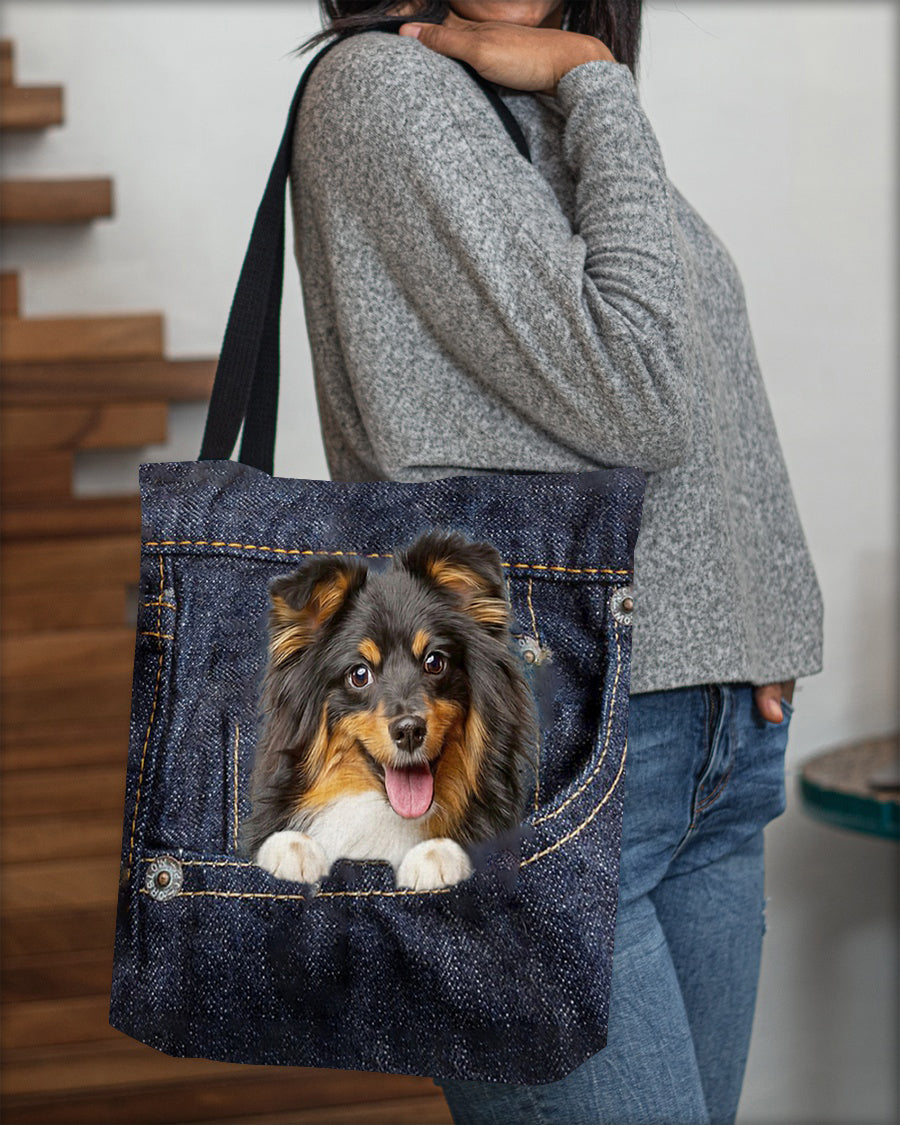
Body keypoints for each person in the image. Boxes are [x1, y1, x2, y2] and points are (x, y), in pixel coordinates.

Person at [287, 2, 824, 1122]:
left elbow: (703, 370)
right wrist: (598, 78)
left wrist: (753, 628)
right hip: (550, 756)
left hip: (706, 747)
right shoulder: (389, 90)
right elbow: (640, 391)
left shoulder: (532, 97)